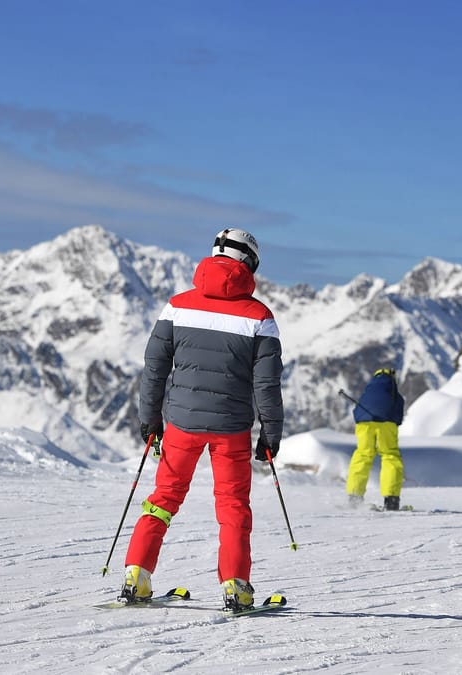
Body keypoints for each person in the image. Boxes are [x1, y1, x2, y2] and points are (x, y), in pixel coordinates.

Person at [119, 228, 284, 612]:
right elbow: (267, 384)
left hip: (180, 424)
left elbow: (154, 367)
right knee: (232, 506)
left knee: (163, 499)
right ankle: (236, 586)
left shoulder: (177, 306)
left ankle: (136, 575)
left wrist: (150, 419)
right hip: (232, 429)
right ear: (251, 262)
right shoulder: (260, 316)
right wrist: (271, 434)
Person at [347, 368, 406, 511]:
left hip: (364, 423)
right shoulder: (392, 390)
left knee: (363, 455)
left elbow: (357, 411)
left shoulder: (369, 391)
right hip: (387, 423)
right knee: (390, 455)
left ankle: (355, 497)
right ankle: (391, 500)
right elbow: (399, 410)